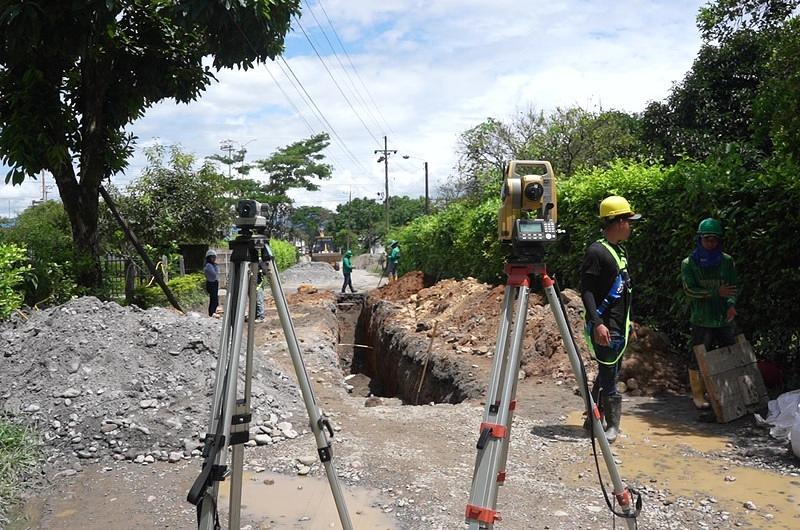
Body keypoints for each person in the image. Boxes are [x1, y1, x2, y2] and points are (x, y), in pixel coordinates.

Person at [579, 195, 641, 443]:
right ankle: (611, 426)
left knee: (608, 374)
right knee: (609, 377)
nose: (631, 226)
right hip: (606, 327)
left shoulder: (619, 251)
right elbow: (587, 290)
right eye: (629, 220)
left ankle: (592, 419)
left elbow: (624, 291)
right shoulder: (596, 252)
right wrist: (597, 323)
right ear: (617, 222)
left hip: (619, 325)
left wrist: (630, 322)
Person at [681, 218, 738, 409]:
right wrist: (714, 293)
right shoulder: (689, 263)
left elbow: (733, 288)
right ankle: (698, 396)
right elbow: (689, 290)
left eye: (714, 240)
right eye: (707, 239)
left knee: (730, 353)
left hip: (723, 319)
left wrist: (730, 304)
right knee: (698, 356)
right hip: (701, 318)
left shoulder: (727, 262)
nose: (710, 243)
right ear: (700, 240)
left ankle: (730, 392)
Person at [204, 249, 220, 317]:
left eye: (214, 257)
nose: (214, 259)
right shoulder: (208, 265)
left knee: (214, 299)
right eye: (212, 257)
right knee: (214, 299)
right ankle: (211, 313)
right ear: (209, 257)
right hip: (211, 283)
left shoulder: (212, 265)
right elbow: (214, 274)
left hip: (214, 283)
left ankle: (213, 312)